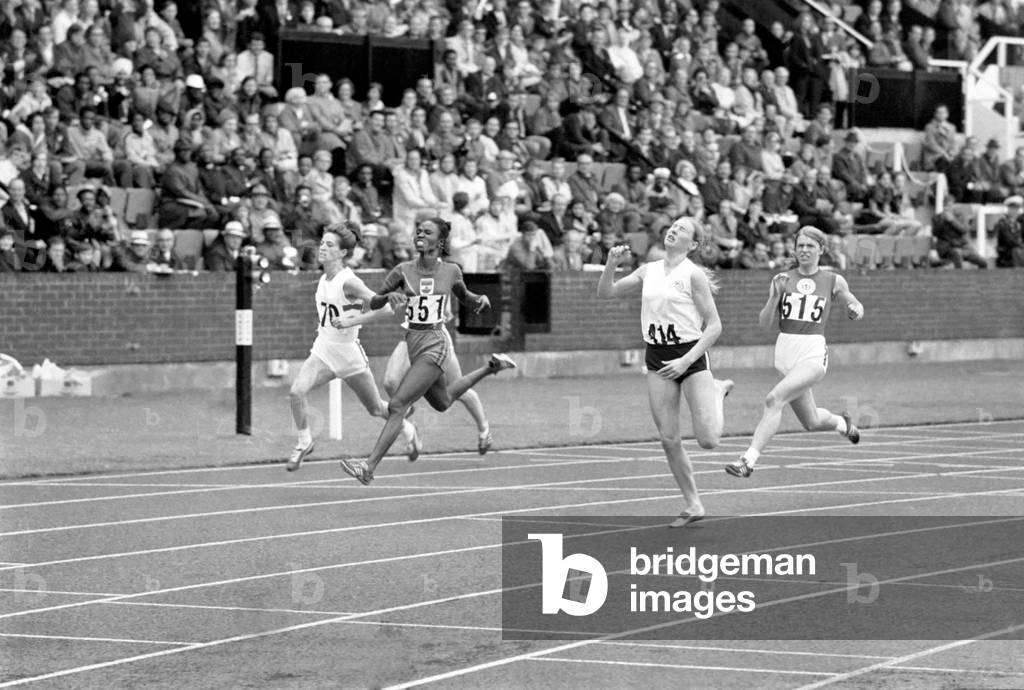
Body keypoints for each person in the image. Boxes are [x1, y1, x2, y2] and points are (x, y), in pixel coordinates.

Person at [336, 217, 517, 485]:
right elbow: (373, 301)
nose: (420, 233)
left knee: (398, 404)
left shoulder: (451, 270)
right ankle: (492, 367)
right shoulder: (402, 270)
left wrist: (478, 300)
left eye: (427, 231)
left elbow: (464, 295)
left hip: (435, 342)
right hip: (412, 342)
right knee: (443, 403)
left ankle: (368, 466)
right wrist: (388, 297)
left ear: (439, 242)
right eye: (418, 230)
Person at [597, 217, 733, 528]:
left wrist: (686, 362)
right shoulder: (649, 269)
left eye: (683, 229)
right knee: (669, 438)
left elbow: (714, 327)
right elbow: (608, 293)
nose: (674, 229)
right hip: (658, 357)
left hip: (691, 357)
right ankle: (693, 503)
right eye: (673, 225)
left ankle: (716, 391)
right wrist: (610, 264)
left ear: (693, 244)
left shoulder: (693, 275)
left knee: (709, 441)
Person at [725, 226, 864, 479]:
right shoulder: (782, 279)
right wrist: (774, 298)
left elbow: (855, 304)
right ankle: (844, 424)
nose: (804, 250)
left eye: (810, 246)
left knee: (774, 399)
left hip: (812, 352)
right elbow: (764, 323)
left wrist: (855, 310)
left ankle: (748, 461)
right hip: (785, 353)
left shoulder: (833, 280)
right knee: (811, 421)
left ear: (821, 249)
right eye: (800, 245)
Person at [286, 223, 419, 471]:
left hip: (348, 354)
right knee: (296, 391)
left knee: (376, 408)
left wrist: (351, 319)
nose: (322, 248)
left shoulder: (350, 282)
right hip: (324, 348)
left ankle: (408, 429)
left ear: (343, 253)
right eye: (322, 243)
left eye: (330, 245)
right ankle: (305, 442)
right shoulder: (324, 278)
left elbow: (387, 310)